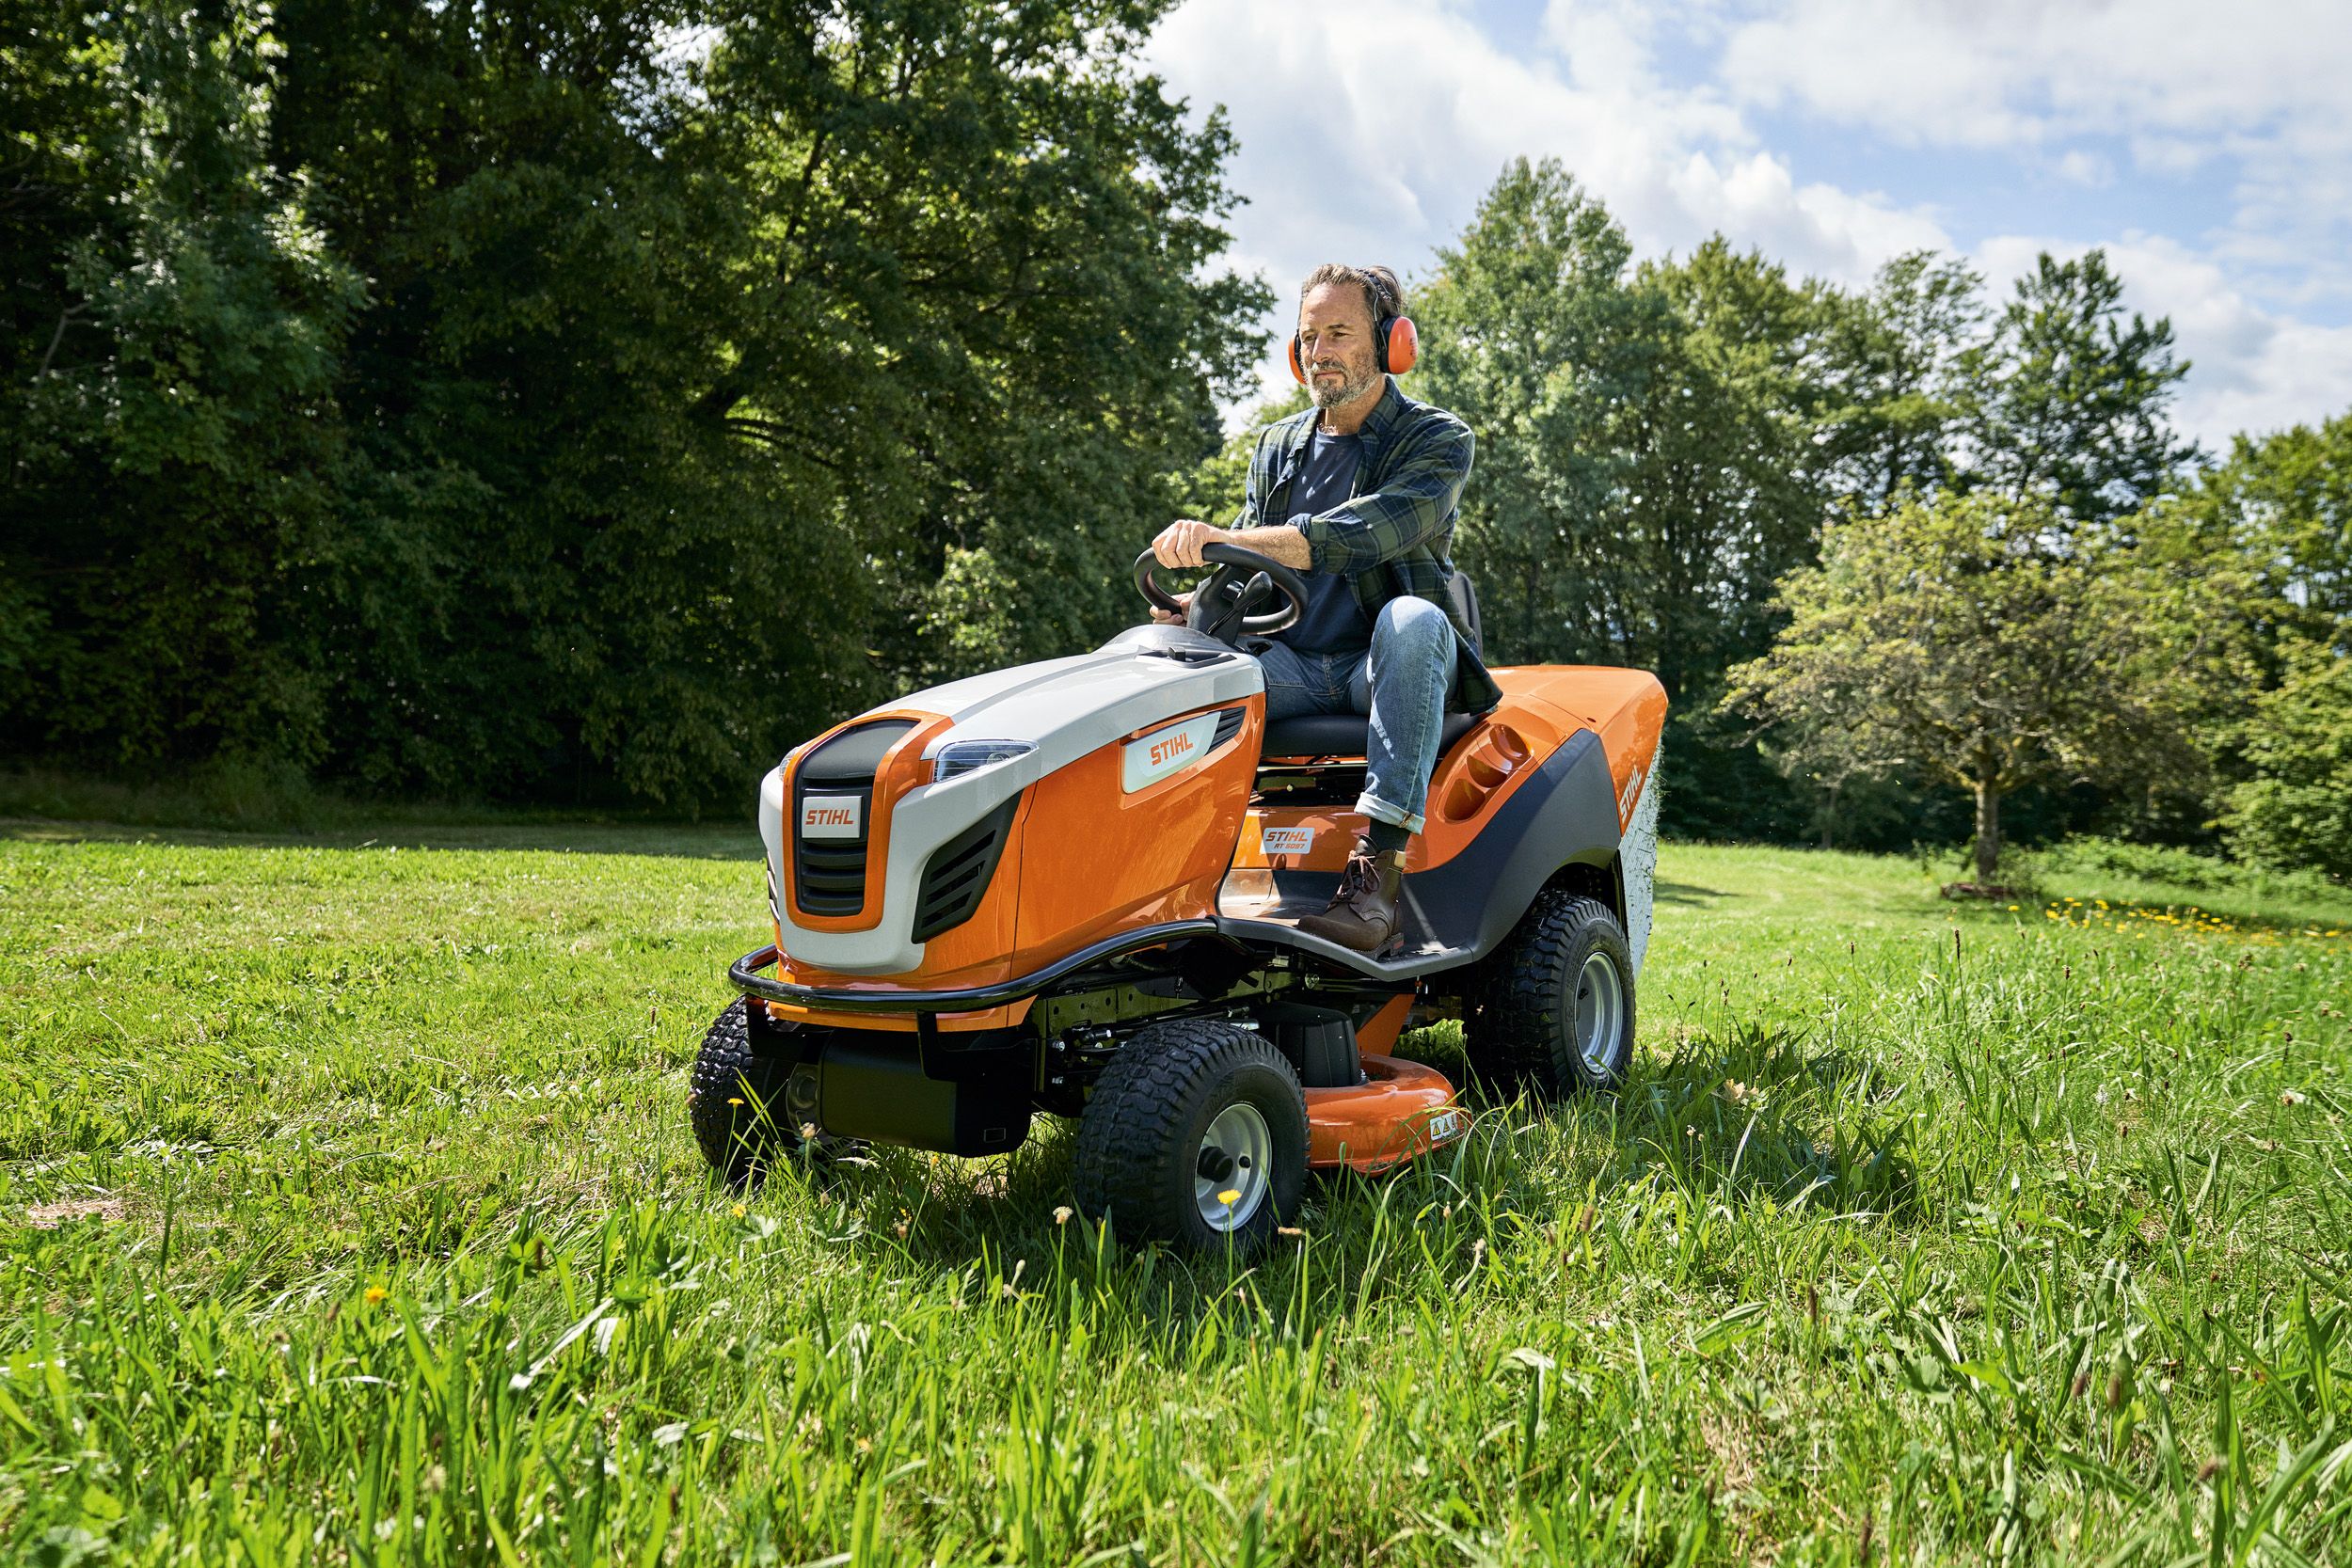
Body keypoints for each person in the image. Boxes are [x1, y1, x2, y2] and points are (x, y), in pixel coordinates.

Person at [1151, 263, 1498, 953]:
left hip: (1383, 664)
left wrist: (1224, 537)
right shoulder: (1278, 446)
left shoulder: (1436, 440)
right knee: (1163, 661)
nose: (1320, 353)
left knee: (1413, 619)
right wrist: (1196, 602)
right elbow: (1254, 569)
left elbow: (1363, 535)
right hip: (1292, 663)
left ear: (1393, 342)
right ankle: (1164, 874)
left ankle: (1377, 881)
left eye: (1339, 332)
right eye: (1309, 337)